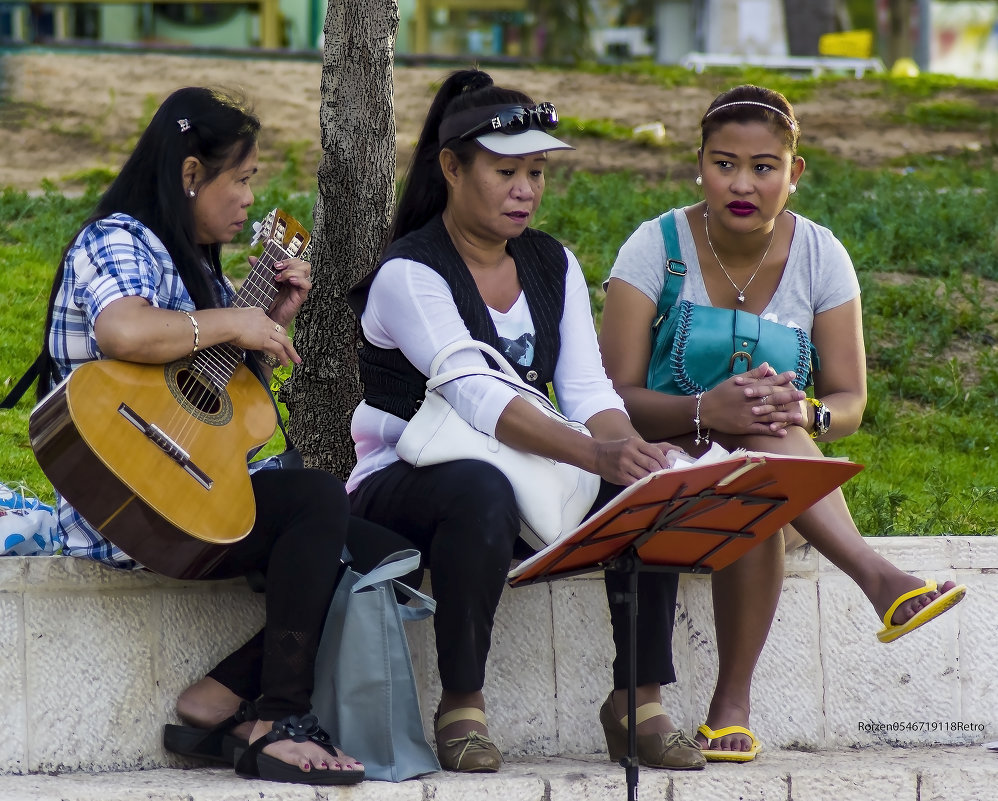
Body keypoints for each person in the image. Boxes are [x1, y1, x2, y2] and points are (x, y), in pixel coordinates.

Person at [38, 86, 407, 786]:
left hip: (186, 490)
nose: (247, 198)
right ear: (189, 175)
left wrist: (261, 316)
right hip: (122, 500)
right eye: (239, 179)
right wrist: (234, 324)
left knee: (390, 554)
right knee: (317, 501)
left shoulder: (196, 262)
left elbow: (206, 398)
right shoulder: (118, 238)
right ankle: (277, 719)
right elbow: (125, 330)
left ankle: (216, 697)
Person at [345, 69, 706, 773]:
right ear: (452, 167)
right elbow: (475, 393)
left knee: (643, 487)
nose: (526, 189)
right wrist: (591, 454)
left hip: (526, 466)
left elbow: (586, 387)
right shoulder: (409, 272)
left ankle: (638, 702)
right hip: (404, 481)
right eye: (506, 171)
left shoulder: (551, 262)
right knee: (480, 488)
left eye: (537, 172)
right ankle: (463, 707)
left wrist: (632, 456)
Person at [599, 84, 967, 762]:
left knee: (763, 452)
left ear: (793, 174)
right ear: (699, 165)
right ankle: (872, 581)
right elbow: (613, 395)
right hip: (665, 455)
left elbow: (850, 401)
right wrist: (708, 409)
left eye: (764, 167)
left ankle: (733, 702)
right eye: (724, 163)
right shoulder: (655, 248)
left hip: (769, 463)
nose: (743, 183)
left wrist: (808, 410)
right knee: (755, 451)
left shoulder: (822, 256)